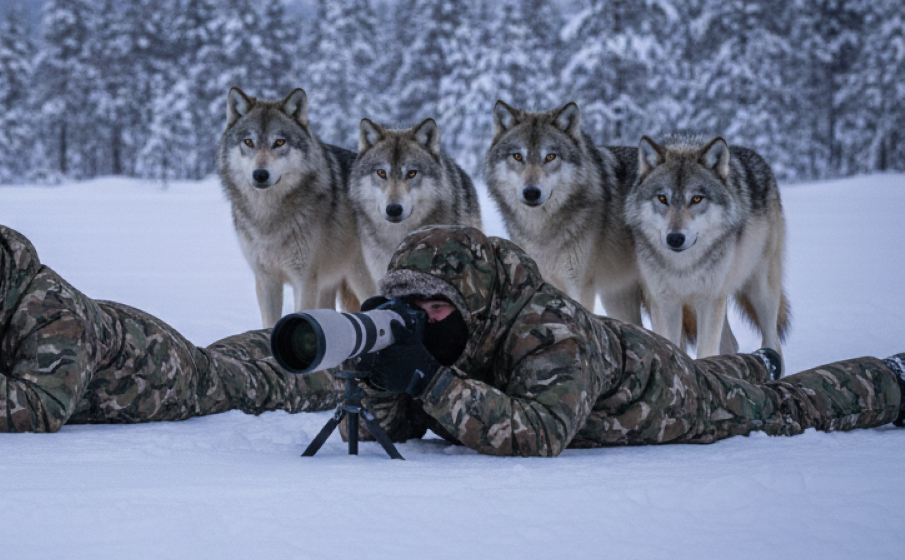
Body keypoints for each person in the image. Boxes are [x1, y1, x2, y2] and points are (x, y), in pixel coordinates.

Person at [345, 225, 905, 456]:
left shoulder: (547, 330)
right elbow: (396, 426)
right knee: (726, 372)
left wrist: (428, 380)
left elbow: (542, 432)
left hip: (659, 394)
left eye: (440, 305)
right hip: (616, 354)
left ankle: (890, 379)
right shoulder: (465, 323)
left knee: (780, 408)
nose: (427, 321)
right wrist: (379, 377)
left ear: (477, 296)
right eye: (412, 308)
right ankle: (756, 362)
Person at [0, 211, 342, 432]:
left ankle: (343, 356)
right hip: (115, 335)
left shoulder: (48, 313)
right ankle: (290, 336)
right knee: (229, 355)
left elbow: (41, 409)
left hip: (159, 375)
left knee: (251, 380)